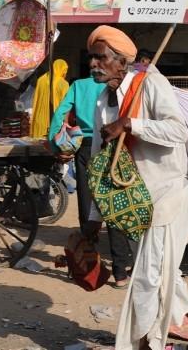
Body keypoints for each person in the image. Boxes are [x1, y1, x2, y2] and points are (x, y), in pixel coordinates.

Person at [86, 26, 188, 350]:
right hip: (133, 203)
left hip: (167, 196)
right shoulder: (102, 101)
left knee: (147, 278)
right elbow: (100, 161)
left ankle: (141, 344)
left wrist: (131, 124)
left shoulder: (149, 83)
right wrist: (94, 218)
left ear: (121, 61)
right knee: (159, 275)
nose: (94, 64)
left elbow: (177, 130)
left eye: (101, 58)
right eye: (92, 58)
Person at [49, 69, 135, 288]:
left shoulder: (78, 86)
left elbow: (61, 112)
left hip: (87, 146)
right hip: (115, 144)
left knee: (87, 203)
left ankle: (88, 263)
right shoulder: (118, 84)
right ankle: (120, 272)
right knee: (115, 203)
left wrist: (53, 141)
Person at [30, 59, 70, 138]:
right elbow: (66, 105)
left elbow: (36, 99)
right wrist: (66, 122)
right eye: (65, 70)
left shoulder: (40, 80)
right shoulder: (63, 84)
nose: (65, 73)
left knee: (37, 147)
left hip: (39, 121)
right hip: (55, 122)